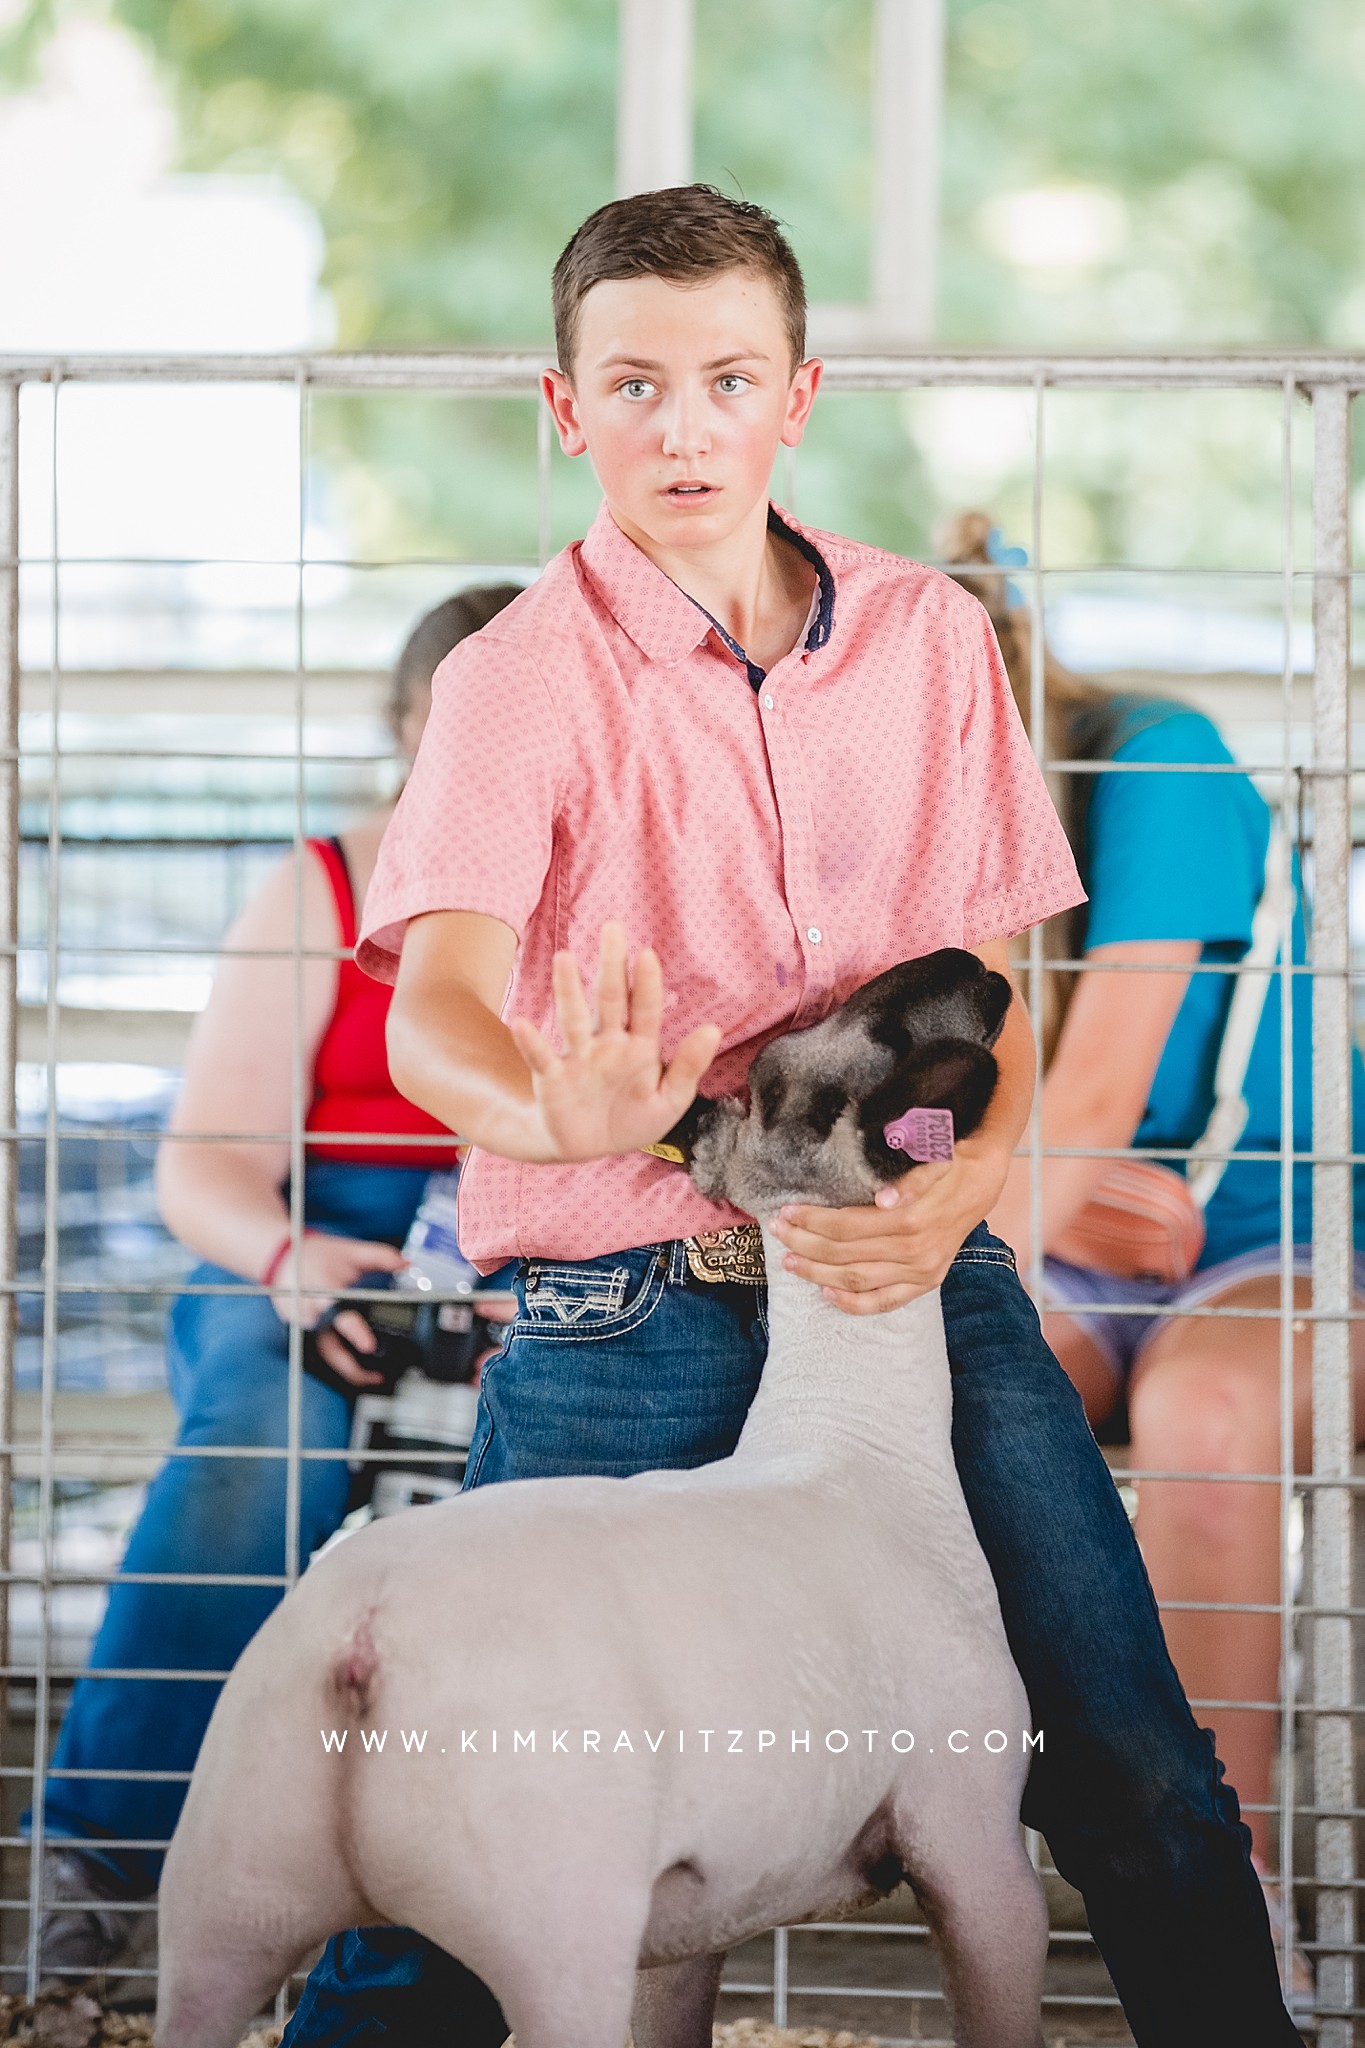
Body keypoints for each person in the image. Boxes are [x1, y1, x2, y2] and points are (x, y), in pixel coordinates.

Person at [280, 187, 1302, 2048]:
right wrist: (549, 1095)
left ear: (796, 396)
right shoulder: (516, 684)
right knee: (470, 1783)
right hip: (618, 1305)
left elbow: (985, 980)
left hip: (909, 1294)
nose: (684, 427)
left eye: (726, 380)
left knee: (1140, 1775)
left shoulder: (925, 641)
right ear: (563, 406)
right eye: (637, 385)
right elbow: (434, 1012)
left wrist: (962, 1196)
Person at [27, 586, 522, 2001]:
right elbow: (207, 1165)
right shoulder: (319, 884)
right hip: (313, 1239)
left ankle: (466, 1882)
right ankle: (105, 1865)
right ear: (403, 734)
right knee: (267, 1430)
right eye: (454, 738)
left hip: (535, 1243)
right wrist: (298, 1269)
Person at [942, 510, 1365, 2008]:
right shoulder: (907, 808)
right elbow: (943, 1127)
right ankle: (966, 1843)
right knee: (955, 1396)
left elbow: (1097, 1101)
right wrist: (1028, 1179)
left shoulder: (1156, 756)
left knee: (1212, 1415)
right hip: (1056, 1225)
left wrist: (1034, 1173)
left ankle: (1219, 1878)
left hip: (1270, 1219)